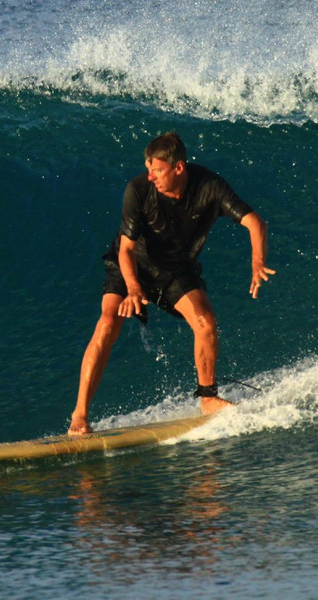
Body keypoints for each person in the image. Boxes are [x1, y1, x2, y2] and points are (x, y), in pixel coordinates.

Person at [69, 132, 274, 435]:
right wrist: (134, 287)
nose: (150, 176)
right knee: (108, 322)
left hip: (176, 270)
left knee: (205, 322)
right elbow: (125, 250)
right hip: (131, 265)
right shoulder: (138, 190)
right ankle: (80, 415)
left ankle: (207, 398)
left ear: (178, 168)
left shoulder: (210, 187)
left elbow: (255, 222)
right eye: (148, 168)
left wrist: (257, 260)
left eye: (157, 170)